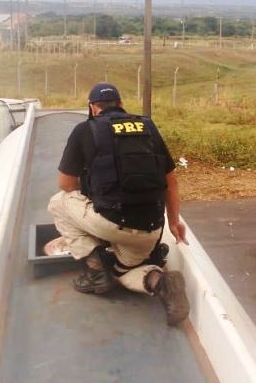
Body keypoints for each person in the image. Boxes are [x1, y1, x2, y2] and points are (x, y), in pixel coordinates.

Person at [47, 83, 190, 326]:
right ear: (121, 104)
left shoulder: (85, 130)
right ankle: (160, 282)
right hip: (152, 228)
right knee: (123, 272)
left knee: (58, 202)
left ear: (93, 108)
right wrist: (174, 222)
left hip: (112, 223)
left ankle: (96, 271)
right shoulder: (148, 127)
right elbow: (171, 183)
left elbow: (65, 183)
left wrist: (97, 191)